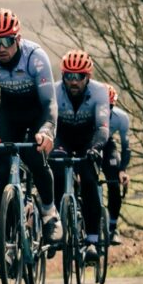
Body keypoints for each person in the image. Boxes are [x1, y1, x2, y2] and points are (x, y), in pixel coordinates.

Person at [0, 8, 63, 244]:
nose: (0, 48)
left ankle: (50, 213)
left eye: (7, 41)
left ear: (17, 39)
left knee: (35, 155)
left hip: (36, 111)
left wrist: (47, 129)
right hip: (10, 112)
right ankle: (2, 229)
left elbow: (49, 102)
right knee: (3, 162)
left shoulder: (35, 57)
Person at [49, 50, 110, 261]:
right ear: (63, 75)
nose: (73, 81)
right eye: (69, 76)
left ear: (88, 77)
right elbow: (47, 120)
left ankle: (92, 240)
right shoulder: (55, 91)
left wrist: (96, 148)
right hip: (63, 137)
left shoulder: (99, 92)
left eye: (79, 77)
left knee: (89, 181)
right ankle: (54, 226)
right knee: (54, 172)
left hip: (88, 138)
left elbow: (103, 127)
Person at [103, 84, 132, 245]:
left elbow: (126, 146)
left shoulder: (121, 118)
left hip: (107, 145)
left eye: (110, 106)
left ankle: (113, 228)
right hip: (86, 143)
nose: (106, 110)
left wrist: (123, 170)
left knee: (115, 183)